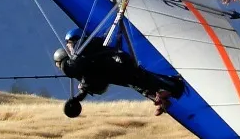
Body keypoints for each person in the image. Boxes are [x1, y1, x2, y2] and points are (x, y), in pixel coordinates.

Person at [54, 27, 182, 116]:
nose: (68, 47)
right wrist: (79, 96)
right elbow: (92, 78)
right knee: (136, 82)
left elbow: (75, 68)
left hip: (119, 63)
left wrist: (64, 63)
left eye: (68, 44)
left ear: (74, 39)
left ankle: (173, 87)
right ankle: (160, 98)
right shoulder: (84, 56)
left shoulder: (81, 47)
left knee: (138, 79)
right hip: (115, 68)